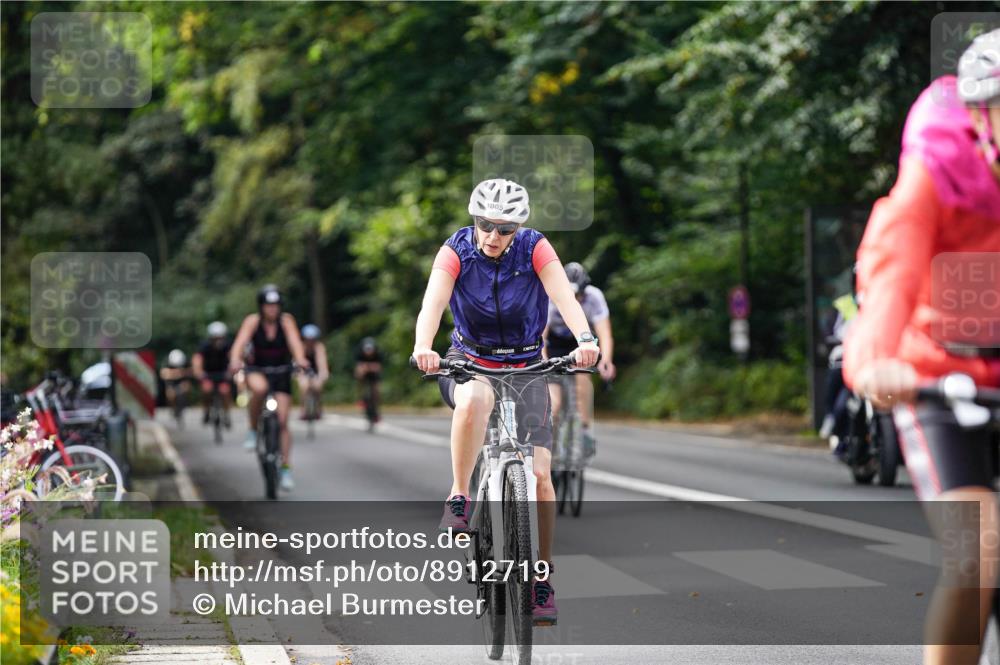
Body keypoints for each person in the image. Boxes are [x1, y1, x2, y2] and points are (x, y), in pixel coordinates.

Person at [843, 30, 1000, 665]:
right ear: (981, 114)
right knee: (979, 551)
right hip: (938, 375)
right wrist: (875, 361)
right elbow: (894, 269)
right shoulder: (939, 168)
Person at [412, 178, 599, 625]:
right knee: (475, 399)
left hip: (526, 364)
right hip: (469, 360)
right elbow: (432, 304)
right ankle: (460, 495)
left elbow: (564, 297)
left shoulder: (535, 248)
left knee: (540, 476)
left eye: (505, 228)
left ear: (519, 228)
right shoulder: (456, 250)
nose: (493, 236)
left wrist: (585, 339)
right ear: (474, 219)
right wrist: (423, 346)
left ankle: (541, 580)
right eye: (485, 225)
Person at [229, 285, 309, 492]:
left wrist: (301, 359)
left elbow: (295, 343)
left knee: (282, 421)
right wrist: (235, 360)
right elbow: (239, 344)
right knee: (260, 389)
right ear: (261, 306)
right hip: (257, 369)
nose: (272, 309)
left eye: (276, 305)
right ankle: (252, 429)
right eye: (268, 305)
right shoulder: (252, 322)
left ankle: (285, 468)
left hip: (281, 372)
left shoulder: (286, 321)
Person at [543, 262, 616, 459]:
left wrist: (606, 361)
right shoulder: (551, 296)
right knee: (554, 401)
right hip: (554, 343)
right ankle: (551, 441)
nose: (576, 300)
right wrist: (543, 363)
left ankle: (584, 429)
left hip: (581, 341)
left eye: (579, 296)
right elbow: (540, 336)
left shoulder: (595, 297)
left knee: (583, 377)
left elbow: (605, 334)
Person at [192, 321, 233, 428]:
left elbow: (233, 358)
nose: (218, 340)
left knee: (225, 391)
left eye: (221, 338)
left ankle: (226, 414)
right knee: (206, 390)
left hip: (223, 374)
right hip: (208, 374)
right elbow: (197, 359)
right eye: (216, 338)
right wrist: (198, 372)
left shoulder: (228, 346)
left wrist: (231, 371)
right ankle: (206, 411)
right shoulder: (204, 346)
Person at [297, 324, 329, 420]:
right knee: (304, 387)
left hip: (316, 372)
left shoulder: (319, 348)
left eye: (312, 339)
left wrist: (323, 375)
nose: (310, 341)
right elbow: (297, 363)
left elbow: (322, 363)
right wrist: (300, 376)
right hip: (303, 372)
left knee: (318, 387)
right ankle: (303, 409)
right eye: (308, 339)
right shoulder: (300, 347)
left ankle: (319, 408)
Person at [354, 337, 383, 424]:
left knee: (376, 390)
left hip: (374, 375)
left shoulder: (378, 354)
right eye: (367, 350)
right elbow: (359, 368)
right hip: (364, 374)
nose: (368, 352)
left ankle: (376, 408)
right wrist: (366, 368)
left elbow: (378, 368)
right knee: (359, 376)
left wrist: (368, 367)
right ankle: (361, 397)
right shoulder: (360, 354)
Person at [160, 349, 191, 420]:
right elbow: (163, 374)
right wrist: (179, 373)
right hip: (171, 383)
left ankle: (183, 405)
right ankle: (173, 408)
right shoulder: (166, 362)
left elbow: (191, 371)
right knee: (170, 395)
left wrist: (172, 373)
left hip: (182, 382)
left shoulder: (185, 361)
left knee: (186, 388)